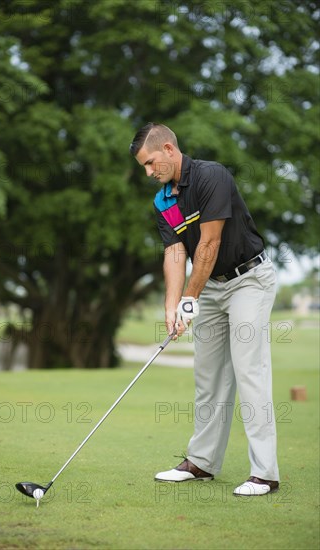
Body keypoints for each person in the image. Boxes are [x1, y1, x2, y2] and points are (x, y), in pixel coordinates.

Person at [130, 122, 279, 496]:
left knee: (249, 371)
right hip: (212, 287)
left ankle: (265, 473)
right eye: (143, 168)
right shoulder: (164, 200)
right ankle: (201, 462)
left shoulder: (213, 177)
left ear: (167, 149)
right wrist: (171, 305)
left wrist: (189, 299)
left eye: (150, 163)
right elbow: (175, 252)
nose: (149, 173)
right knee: (208, 375)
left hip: (249, 279)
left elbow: (209, 244)